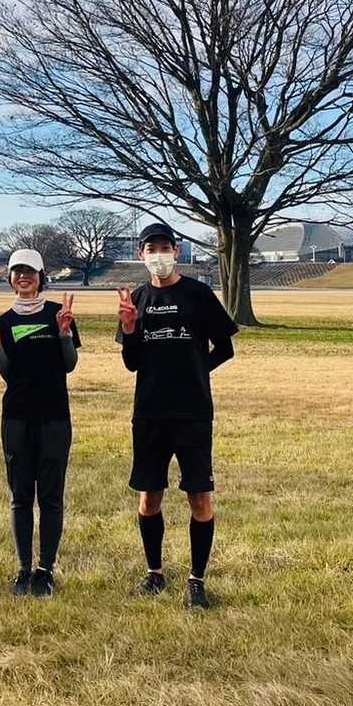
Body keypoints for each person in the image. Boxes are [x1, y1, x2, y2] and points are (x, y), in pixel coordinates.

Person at [116, 221, 237, 611]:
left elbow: (226, 348)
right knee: (149, 496)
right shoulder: (136, 299)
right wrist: (130, 328)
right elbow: (132, 362)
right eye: (151, 249)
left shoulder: (198, 294)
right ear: (141, 255)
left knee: (199, 497)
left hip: (192, 412)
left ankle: (197, 580)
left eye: (164, 248)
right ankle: (154, 573)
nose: (158, 255)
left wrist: (196, 372)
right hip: (149, 413)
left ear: (176, 251)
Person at [0, 248, 79, 597]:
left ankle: (45, 570)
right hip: (16, 418)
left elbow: (69, 365)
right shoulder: (4, 322)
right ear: (10, 278)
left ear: (41, 277)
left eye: (30, 272)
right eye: (17, 272)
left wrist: (64, 333)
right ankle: (23, 569)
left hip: (54, 417)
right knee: (20, 497)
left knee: (51, 497)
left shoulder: (58, 313)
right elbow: (9, 374)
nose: (24, 277)